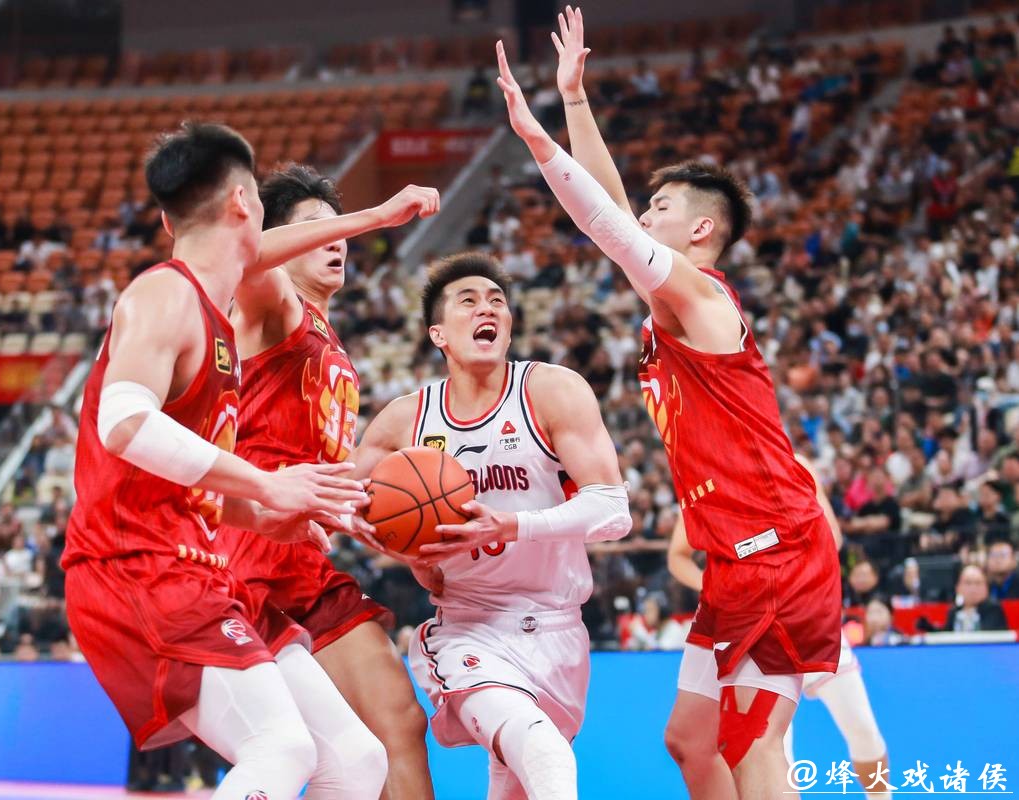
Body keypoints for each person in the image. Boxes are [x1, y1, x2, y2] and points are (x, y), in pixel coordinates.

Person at [497, 10, 841, 797]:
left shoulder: (703, 298)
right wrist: (574, 100)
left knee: (751, 746)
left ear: (701, 228)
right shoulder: (670, 305)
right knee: (689, 741)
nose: (642, 215)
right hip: (734, 556)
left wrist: (540, 139)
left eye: (659, 207)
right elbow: (614, 218)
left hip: (774, 550)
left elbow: (605, 223)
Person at [63, 123, 434, 799]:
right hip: (139, 564)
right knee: (281, 748)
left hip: (202, 560)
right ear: (244, 202)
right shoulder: (166, 293)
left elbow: (188, 481)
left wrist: (269, 512)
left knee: (357, 760)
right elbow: (123, 422)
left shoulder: (213, 318)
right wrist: (267, 484)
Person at [352, 252, 630, 800]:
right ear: (438, 334)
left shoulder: (551, 390)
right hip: (468, 627)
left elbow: (612, 510)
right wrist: (407, 555)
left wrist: (510, 525)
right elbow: (341, 504)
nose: (488, 309)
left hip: (558, 627)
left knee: (518, 783)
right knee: (543, 752)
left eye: (497, 301)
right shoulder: (407, 418)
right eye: (469, 301)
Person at [226, 163, 438, 799]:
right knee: (302, 753)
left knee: (395, 725)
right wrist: (376, 216)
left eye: (339, 229)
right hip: (247, 548)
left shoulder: (326, 333)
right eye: (316, 228)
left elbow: (319, 472)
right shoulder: (272, 305)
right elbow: (247, 253)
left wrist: (382, 530)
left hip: (304, 556)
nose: (336, 239)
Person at [670, 454, 891, 800]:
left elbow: (831, 536)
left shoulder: (793, 463)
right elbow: (677, 555)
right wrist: (718, 589)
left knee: (862, 729)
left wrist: (781, 560)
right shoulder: (707, 476)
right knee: (767, 748)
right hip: (748, 625)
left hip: (806, 614)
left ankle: (882, 796)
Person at [946, 564, 1010, 632]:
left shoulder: (994, 610)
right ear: (957, 587)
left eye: (978, 583)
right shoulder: (954, 612)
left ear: (986, 587)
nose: (973, 588)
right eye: (968, 583)